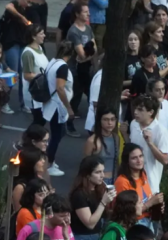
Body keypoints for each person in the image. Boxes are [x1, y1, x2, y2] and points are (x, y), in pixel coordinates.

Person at [41, 41, 75, 173]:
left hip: (51, 103)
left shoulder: (53, 61)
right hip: (57, 106)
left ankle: (48, 158)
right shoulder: (63, 67)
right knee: (57, 134)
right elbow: (60, 88)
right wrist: (69, 108)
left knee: (58, 133)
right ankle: (49, 163)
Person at [114, 143, 163, 224]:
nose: (139, 161)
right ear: (127, 161)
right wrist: (150, 203)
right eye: (134, 158)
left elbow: (146, 198)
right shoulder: (122, 181)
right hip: (134, 223)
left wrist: (157, 204)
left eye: (141, 156)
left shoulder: (143, 174)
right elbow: (125, 213)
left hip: (148, 219)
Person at [129, 95, 168, 194]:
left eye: (140, 110)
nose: (135, 112)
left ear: (151, 112)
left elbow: (165, 160)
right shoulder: (133, 124)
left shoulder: (161, 130)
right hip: (131, 180)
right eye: (135, 108)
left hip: (150, 184)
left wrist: (150, 143)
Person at [66, 3, 94, 138]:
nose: (88, 14)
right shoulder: (73, 32)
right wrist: (88, 53)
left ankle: (94, 126)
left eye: (88, 12)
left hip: (87, 69)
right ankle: (68, 124)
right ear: (77, 14)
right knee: (75, 97)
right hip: (75, 70)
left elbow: (94, 49)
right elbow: (81, 54)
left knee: (92, 96)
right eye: (85, 12)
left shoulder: (88, 28)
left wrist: (89, 53)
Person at [22, 25, 49, 123]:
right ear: (33, 37)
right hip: (34, 93)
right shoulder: (28, 53)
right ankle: (29, 138)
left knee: (41, 121)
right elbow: (27, 75)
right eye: (41, 34)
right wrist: (44, 77)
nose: (44, 35)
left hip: (41, 91)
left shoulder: (40, 48)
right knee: (39, 121)